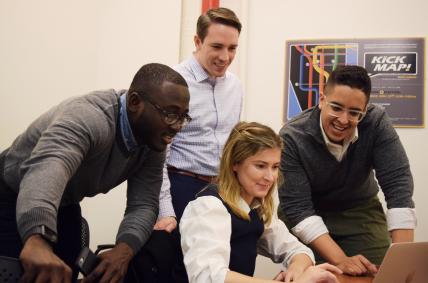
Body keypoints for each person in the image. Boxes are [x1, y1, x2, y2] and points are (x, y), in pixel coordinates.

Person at [0, 63, 190, 283]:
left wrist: (124, 250)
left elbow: (144, 203)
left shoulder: (153, 142)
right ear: (135, 102)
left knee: (64, 275)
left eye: (183, 116)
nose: (177, 126)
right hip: (12, 193)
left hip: (64, 202)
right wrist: (37, 238)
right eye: (170, 114)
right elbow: (46, 171)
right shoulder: (89, 117)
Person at [278, 65, 416, 276]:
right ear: (322, 100)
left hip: (360, 211)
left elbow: (398, 184)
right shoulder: (291, 136)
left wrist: (403, 261)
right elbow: (297, 208)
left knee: (381, 273)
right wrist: (341, 260)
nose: (343, 120)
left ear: (365, 109)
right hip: (308, 212)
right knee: (321, 276)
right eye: (336, 107)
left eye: (354, 113)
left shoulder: (376, 121)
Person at [180, 121, 342, 283]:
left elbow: (299, 250)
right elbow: (208, 277)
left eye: (275, 167)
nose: (270, 177)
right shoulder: (208, 206)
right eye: (260, 166)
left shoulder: (257, 208)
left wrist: (296, 270)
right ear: (234, 163)